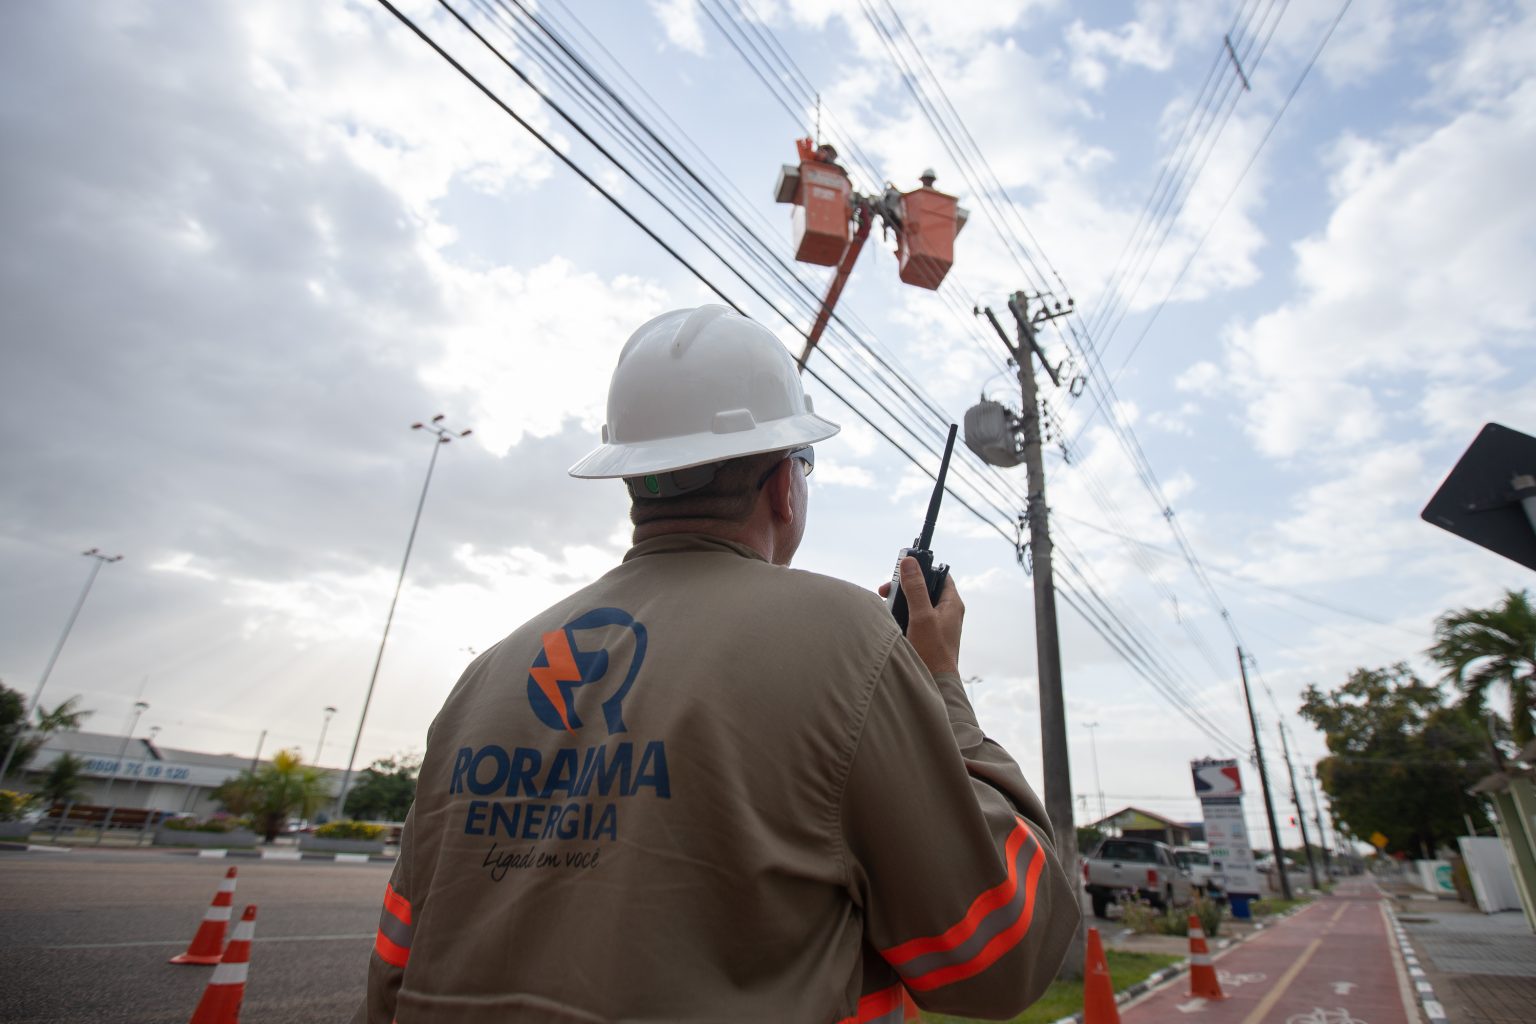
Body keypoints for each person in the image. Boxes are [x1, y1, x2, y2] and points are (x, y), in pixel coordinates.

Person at [355, 305, 1079, 1024]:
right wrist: (940, 688)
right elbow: (997, 955)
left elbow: (393, 976)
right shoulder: (848, 642)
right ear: (783, 487)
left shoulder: (484, 679)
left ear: (633, 480)